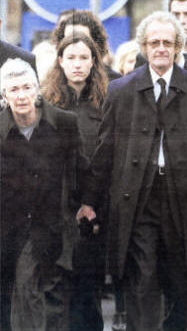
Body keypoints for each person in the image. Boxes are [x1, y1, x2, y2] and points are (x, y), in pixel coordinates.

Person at [77, 11, 187, 331]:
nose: (160, 48)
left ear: (177, 47)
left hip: (185, 199)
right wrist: (89, 201)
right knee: (142, 279)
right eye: (154, 43)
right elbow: (104, 150)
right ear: (143, 47)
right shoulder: (122, 90)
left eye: (167, 42)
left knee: (183, 284)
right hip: (138, 200)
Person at [0, 57, 88, 331]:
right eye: (14, 90)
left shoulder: (63, 122)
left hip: (51, 227)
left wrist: (84, 206)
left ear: (38, 89)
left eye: (27, 87)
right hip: (8, 228)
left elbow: (81, 171)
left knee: (33, 289)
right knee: (18, 297)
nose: (22, 95)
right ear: (4, 95)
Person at [42, 33, 108, 331]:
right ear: (60, 61)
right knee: (57, 289)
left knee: (88, 290)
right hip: (57, 207)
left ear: (94, 62)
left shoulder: (107, 102)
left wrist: (91, 202)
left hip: (96, 208)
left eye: (84, 58)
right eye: (71, 58)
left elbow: (108, 155)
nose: (78, 64)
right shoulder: (46, 102)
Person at [52, 9, 121, 81]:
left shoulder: (115, 83)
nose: (76, 43)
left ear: (96, 42)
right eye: (69, 38)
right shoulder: (51, 82)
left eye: (83, 38)